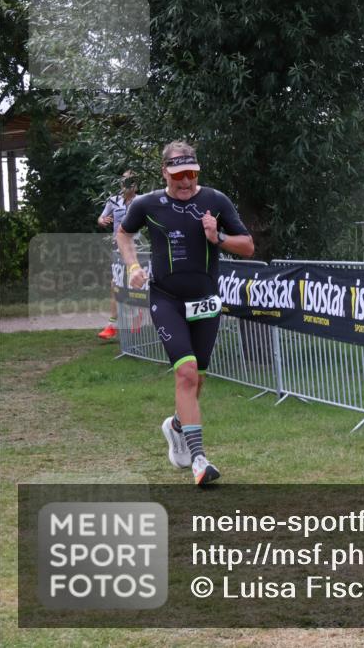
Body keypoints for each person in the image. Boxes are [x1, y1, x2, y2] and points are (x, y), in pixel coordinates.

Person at [117, 141, 254, 486]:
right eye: (178, 175)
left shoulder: (215, 201)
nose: (186, 182)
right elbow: (124, 234)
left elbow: (248, 246)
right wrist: (133, 266)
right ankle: (199, 461)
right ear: (164, 172)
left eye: (191, 174)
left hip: (206, 301)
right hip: (167, 300)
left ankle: (177, 425)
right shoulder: (148, 204)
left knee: (198, 379)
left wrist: (217, 237)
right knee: (187, 373)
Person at [96, 171, 139, 339]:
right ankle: (112, 325)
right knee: (115, 284)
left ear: (136, 185)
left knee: (135, 283)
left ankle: (136, 318)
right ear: (121, 183)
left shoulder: (141, 201)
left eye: (132, 181)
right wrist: (102, 221)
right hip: (118, 247)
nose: (128, 184)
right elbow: (101, 217)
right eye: (126, 181)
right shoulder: (113, 200)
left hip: (137, 248)